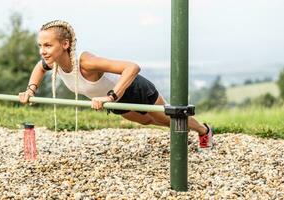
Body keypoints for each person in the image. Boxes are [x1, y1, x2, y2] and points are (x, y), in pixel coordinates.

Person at [18, 20, 215, 148]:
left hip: (133, 88)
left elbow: (132, 67)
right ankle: (189, 130)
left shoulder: (85, 62)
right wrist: (30, 90)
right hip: (114, 101)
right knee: (148, 121)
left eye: (48, 45)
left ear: (65, 44)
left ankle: (204, 131)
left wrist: (110, 96)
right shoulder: (54, 62)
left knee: (168, 118)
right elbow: (39, 68)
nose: (43, 51)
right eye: (40, 46)